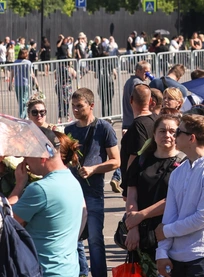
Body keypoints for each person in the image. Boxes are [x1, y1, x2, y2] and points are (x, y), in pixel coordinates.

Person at [155, 115, 204, 277]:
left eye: (178, 132)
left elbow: (203, 218)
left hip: (201, 254)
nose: (174, 136)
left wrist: (167, 231)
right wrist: (161, 253)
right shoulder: (178, 172)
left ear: (192, 138)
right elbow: (169, 216)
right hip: (175, 256)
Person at [7, 127, 85, 277]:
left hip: (44, 270)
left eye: (28, 155)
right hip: (68, 268)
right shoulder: (72, 181)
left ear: (42, 156)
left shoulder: (40, 189)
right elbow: (84, 214)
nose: (25, 161)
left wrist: (19, 185)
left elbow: (7, 222)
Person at [64, 88, 121, 277]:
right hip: (73, 192)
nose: (75, 110)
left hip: (94, 192)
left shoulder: (103, 128)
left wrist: (93, 169)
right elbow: (63, 159)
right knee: (74, 239)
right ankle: (80, 273)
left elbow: (116, 161)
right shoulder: (69, 130)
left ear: (91, 105)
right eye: (73, 106)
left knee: (95, 240)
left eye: (79, 106)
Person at [125, 115, 186, 268]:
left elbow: (174, 200)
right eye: (162, 131)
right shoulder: (141, 161)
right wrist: (133, 227)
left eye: (172, 131)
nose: (167, 135)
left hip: (171, 233)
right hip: (142, 234)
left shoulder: (185, 164)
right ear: (154, 134)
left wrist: (141, 216)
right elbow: (132, 195)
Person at [120, 85, 157, 190]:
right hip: (152, 178)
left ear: (131, 100)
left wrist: (127, 186)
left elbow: (134, 158)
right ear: (150, 101)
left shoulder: (138, 126)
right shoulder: (156, 120)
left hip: (139, 184)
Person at [8, 48, 36, 119]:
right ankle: (22, 117)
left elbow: (12, 73)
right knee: (24, 101)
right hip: (25, 83)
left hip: (17, 84)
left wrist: (10, 83)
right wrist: (36, 83)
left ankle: (24, 115)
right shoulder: (28, 62)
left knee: (21, 100)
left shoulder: (15, 62)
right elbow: (32, 74)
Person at [123, 62, 152, 130]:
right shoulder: (138, 84)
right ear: (138, 71)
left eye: (149, 72)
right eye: (146, 72)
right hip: (134, 120)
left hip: (127, 120)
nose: (148, 75)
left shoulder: (129, 81)